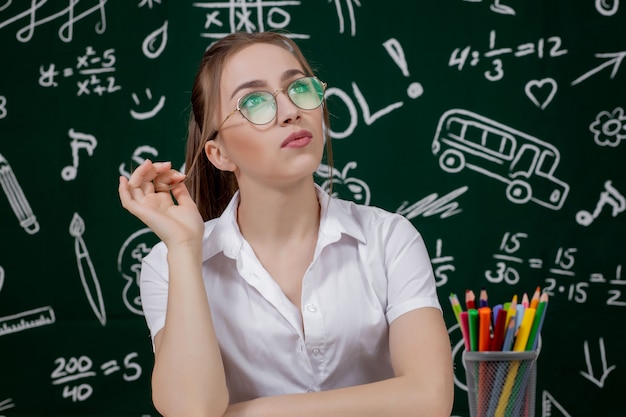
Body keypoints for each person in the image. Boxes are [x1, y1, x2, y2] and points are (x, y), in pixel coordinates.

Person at [118, 31, 454, 417]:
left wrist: (247, 412)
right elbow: (192, 409)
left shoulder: (388, 238)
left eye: (299, 88)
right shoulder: (167, 265)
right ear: (219, 153)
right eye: (255, 101)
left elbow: (430, 398)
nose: (291, 110)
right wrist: (184, 248)